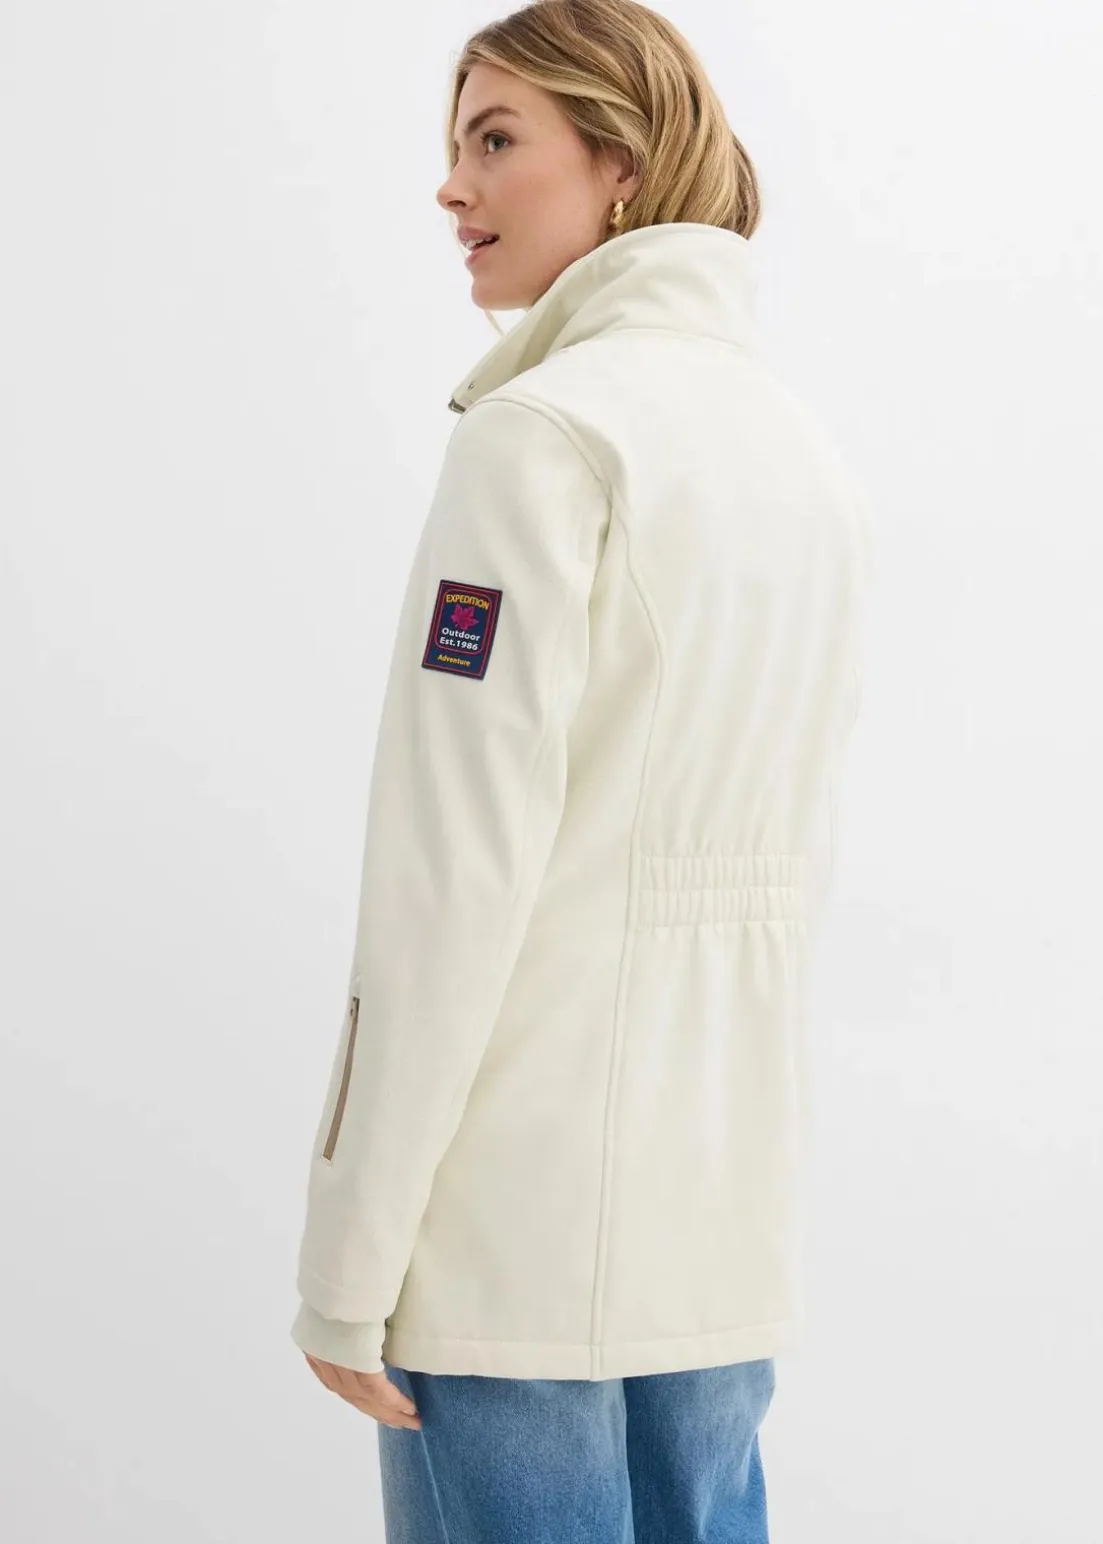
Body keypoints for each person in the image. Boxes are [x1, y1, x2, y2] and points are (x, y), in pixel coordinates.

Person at [289, 1, 874, 1538]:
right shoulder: (799, 455)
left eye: (495, 140)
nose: (450, 186)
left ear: (622, 165)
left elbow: (450, 878)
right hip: (723, 1216)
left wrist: (347, 1264)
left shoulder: (539, 440)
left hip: (511, 1239)